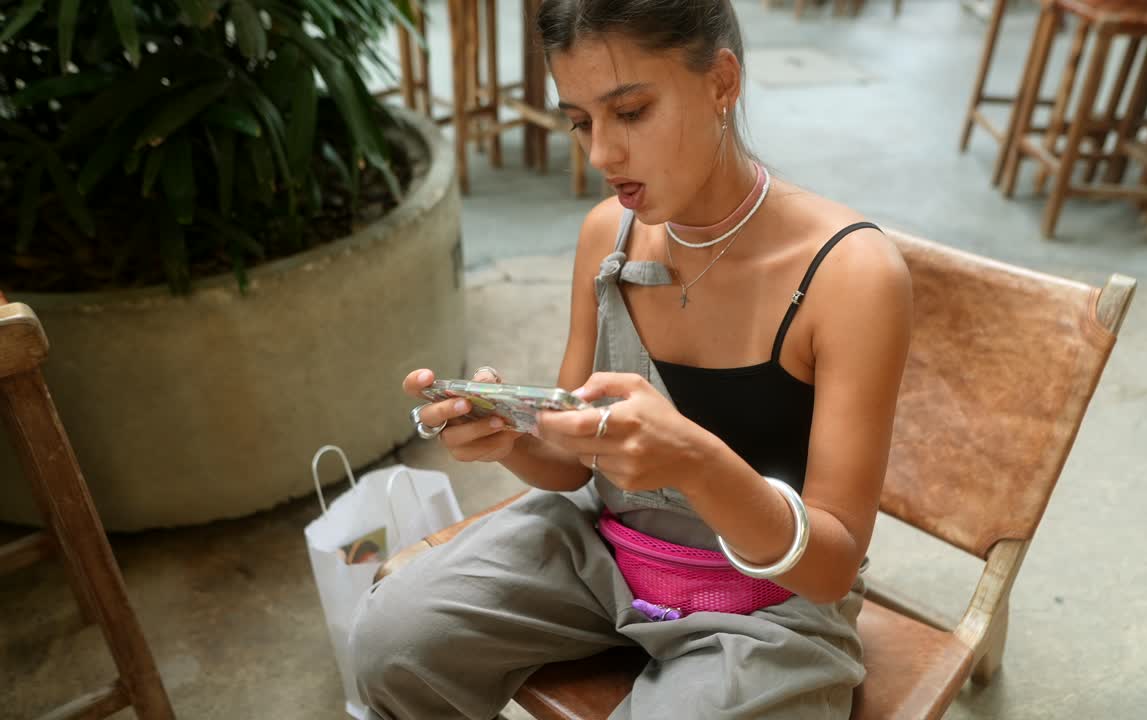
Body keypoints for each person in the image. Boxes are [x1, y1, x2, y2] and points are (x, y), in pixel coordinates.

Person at [351, 0, 912, 717]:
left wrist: (698, 464)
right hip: (601, 550)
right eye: (581, 120)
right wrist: (512, 436)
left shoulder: (850, 276)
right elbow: (570, 463)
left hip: (770, 606)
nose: (600, 156)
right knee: (391, 643)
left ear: (721, 82)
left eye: (632, 112)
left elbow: (831, 566)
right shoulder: (607, 239)